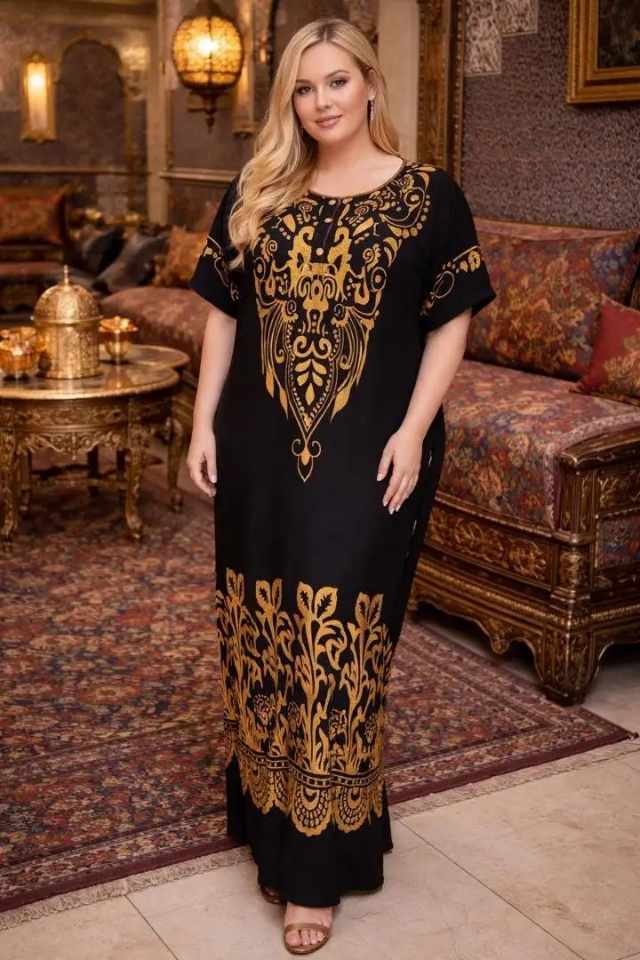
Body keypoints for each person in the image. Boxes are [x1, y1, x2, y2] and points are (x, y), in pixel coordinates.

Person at [186, 15, 496, 956]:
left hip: (372, 453)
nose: (320, 102)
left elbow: (450, 322)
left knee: (342, 646)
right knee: (262, 633)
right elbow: (223, 315)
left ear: (369, 85)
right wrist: (202, 423)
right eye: (303, 87)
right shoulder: (258, 190)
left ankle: (317, 871)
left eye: (335, 82)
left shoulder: (428, 196)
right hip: (258, 446)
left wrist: (413, 429)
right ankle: (274, 826)